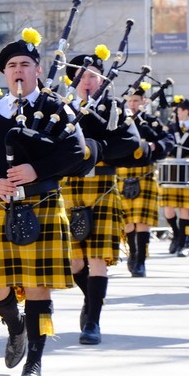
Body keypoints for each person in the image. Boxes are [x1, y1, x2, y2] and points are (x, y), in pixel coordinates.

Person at [0, 28, 86, 376]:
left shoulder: (55, 107)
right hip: (3, 204)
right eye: (12, 65)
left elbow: (76, 152)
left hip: (43, 202)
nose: (19, 70)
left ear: (38, 70)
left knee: (37, 288)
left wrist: (37, 170)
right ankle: (16, 327)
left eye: (25, 64)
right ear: (4, 73)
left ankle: (35, 363)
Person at [62, 48, 144, 345]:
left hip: (103, 187)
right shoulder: (63, 107)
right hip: (69, 186)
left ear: (102, 80)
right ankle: (91, 299)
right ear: (73, 78)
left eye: (94, 74)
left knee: (97, 259)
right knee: (73, 263)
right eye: (83, 75)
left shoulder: (114, 108)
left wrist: (95, 149)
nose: (89, 80)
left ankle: (92, 322)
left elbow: (130, 143)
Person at [119, 85, 174, 277]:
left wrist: (154, 144)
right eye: (130, 100)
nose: (133, 104)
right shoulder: (119, 120)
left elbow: (169, 140)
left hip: (145, 172)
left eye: (136, 101)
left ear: (143, 102)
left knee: (142, 220)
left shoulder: (151, 122)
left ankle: (141, 260)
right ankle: (133, 254)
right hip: (122, 173)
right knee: (127, 222)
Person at [159, 97, 189, 257]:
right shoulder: (171, 128)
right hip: (170, 173)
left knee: (185, 211)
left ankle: (182, 244)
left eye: (178, 110)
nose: (177, 113)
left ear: (186, 111)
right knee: (168, 211)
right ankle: (177, 233)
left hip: (187, 173)